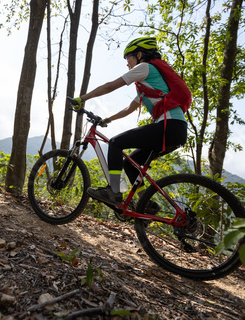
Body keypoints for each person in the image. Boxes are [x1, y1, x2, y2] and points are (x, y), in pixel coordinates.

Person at [71, 37, 188, 210]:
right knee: (130, 163)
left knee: (115, 143)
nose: (127, 63)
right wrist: (107, 120)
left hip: (168, 125)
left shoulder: (145, 68)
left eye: (128, 58)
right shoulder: (146, 86)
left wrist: (82, 98)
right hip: (175, 129)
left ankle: (114, 192)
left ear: (140, 55)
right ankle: (145, 203)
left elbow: (110, 86)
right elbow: (129, 109)